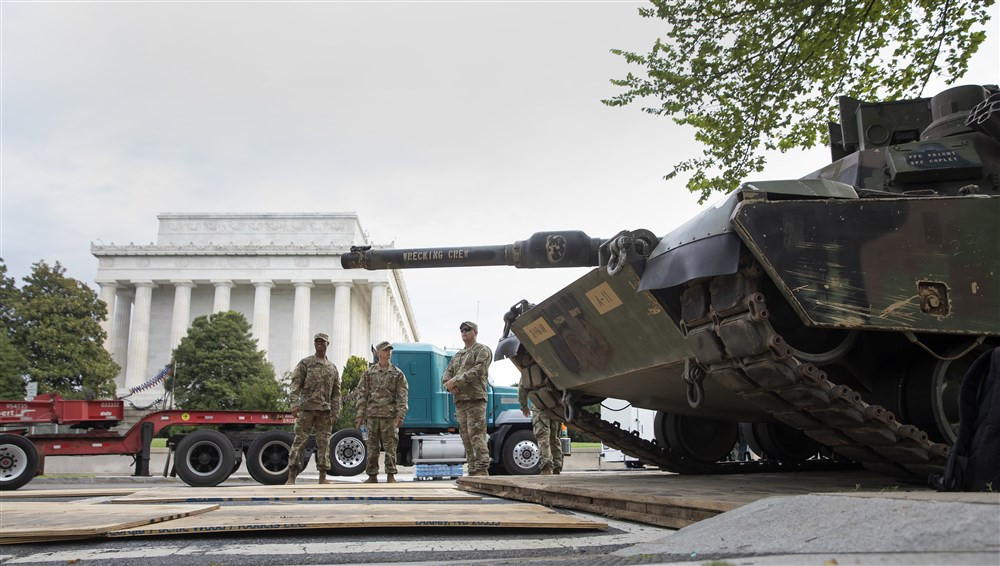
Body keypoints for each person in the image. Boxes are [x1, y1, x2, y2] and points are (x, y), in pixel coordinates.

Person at [286, 332, 341, 485]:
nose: (319, 344)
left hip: (325, 411)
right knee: (299, 441)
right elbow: (295, 384)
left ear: (327, 345)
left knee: (324, 443)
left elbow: (336, 393)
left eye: (322, 342)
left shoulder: (332, 368)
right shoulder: (306, 363)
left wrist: (336, 411)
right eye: (317, 341)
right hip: (307, 409)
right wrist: (294, 404)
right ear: (314, 344)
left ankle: (323, 476)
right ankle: (291, 476)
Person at [442, 321, 492, 476]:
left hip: (475, 399)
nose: (463, 332)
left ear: (475, 332)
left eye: (467, 329)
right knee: (466, 436)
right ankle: (472, 469)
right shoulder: (458, 355)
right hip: (460, 401)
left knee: (477, 434)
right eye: (462, 330)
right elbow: (447, 373)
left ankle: (482, 469)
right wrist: (448, 384)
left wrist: (456, 381)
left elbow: (479, 370)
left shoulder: (482, 350)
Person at [355, 341, 409, 483]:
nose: (388, 352)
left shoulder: (397, 374)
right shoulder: (369, 373)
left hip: (389, 417)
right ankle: (372, 475)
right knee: (372, 446)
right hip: (372, 416)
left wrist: (400, 414)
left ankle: (391, 475)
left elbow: (402, 395)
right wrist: (360, 414)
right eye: (385, 350)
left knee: (391, 446)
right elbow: (362, 394)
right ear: (379, 353)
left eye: (390, 350)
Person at [518, 378, 563, 475]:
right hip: (556, 405)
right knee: (554, 438)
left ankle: (546, 468)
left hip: (540, 405)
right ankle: (557, 467)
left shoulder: (534, 364)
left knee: (543, 437)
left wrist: (524, 405)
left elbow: (522, 385)